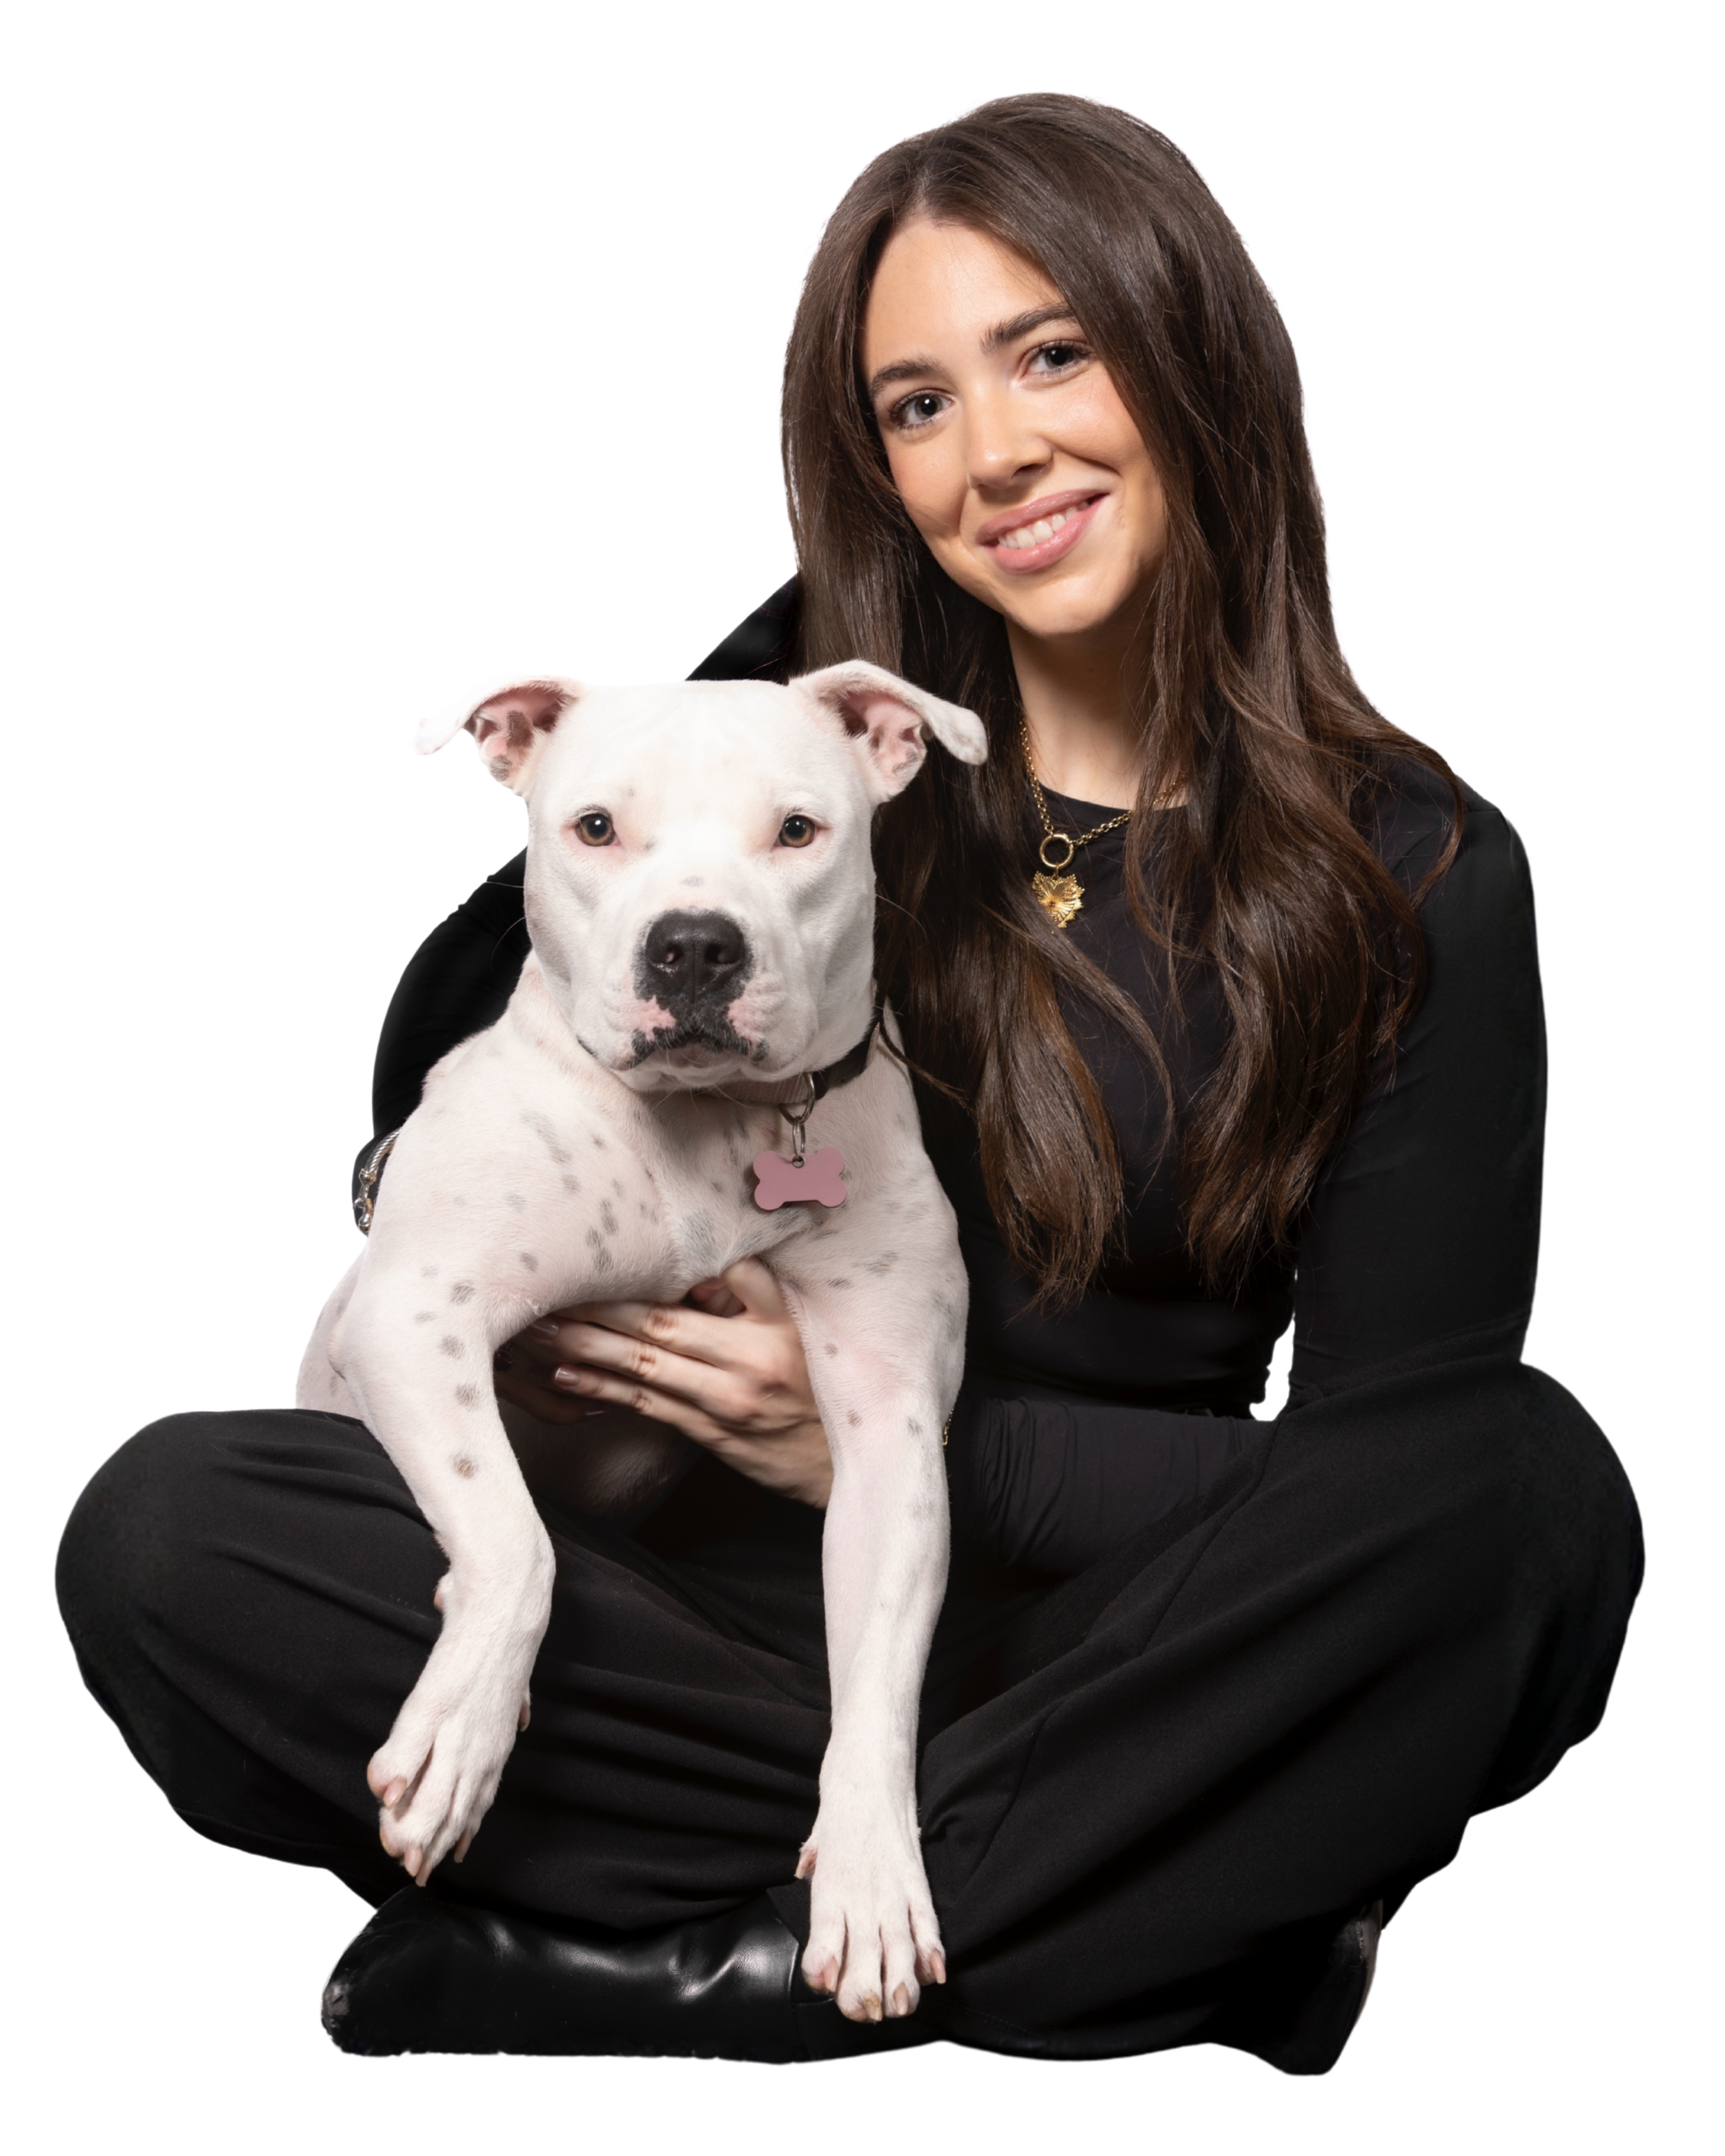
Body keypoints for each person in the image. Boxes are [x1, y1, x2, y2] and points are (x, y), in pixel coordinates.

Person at [56, 95, 1641, 2068]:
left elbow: (1379, 1463)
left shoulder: (1420, 873)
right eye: (916, 404)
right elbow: (506, 986)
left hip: (1116, 1631)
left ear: (1195, 350)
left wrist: (896, 1446)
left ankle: (701, 1966)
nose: (995, 453)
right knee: (173, 1533)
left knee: (1524, 1495)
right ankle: (1164, 1913)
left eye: (1051, 352)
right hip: (696, 1623)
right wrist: (468, 1210)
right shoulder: (816, 703)